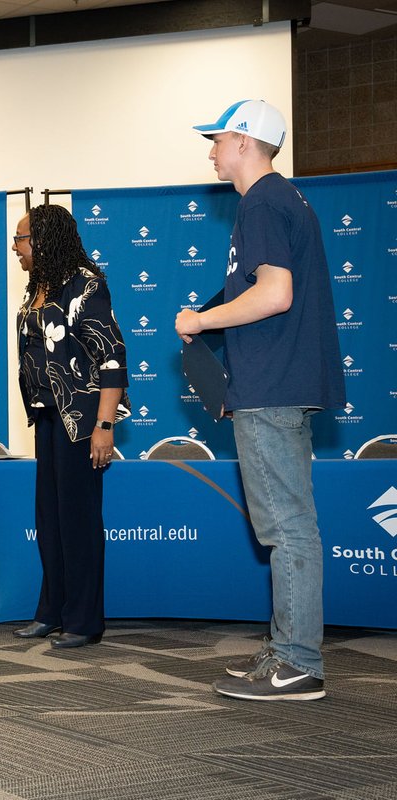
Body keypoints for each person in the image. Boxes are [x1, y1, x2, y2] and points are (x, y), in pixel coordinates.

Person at [178, 100, 345, 700]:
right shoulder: (283, 200)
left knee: (288, 529)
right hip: (278, 384)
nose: (210, 150)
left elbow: (274, 294)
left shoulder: (264, 201)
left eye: (217, 139)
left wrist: (201, 319)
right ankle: (284, 650)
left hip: (272, 387)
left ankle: (298, 663)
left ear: (245, 142)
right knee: (286, 525)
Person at [10, 204, 129, 649]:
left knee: (78, 521)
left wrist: (104, 425)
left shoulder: (85, 284)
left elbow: (112, 358)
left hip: (80, 421)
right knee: (51, 520)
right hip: (46, 417)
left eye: (21, 239)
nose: (17, 248)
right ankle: (52, 610)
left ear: (43, 240)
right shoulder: (39, 287)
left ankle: (83, 620)